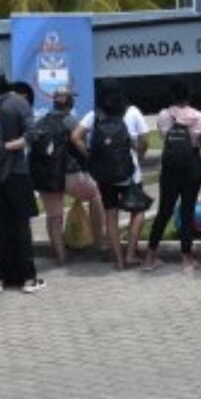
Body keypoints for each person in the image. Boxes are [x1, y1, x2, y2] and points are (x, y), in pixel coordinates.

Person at [72, 78, 150, 270]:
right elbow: (145, 139)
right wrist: (139, 154)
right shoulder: (132, 111)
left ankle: (118, 260)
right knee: (138, 211)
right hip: (130, 173)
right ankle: (130, 253)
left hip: (104, 174)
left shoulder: (95, 114)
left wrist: (89, 156)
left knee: (111, 215)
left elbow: (75, 137)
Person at [0, 81, 43, 293]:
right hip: (16, 172)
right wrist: (8, 146)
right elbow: (32, 135)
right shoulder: (19, 103)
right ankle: (28, 278)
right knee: (21, 225)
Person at [35, 88, 105, 266]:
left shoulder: (41, 122)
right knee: (96, 196)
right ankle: (99, 243)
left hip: (46, 177)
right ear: (70, 103)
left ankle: (61, 257)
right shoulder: (71, 121)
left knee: (54, 216)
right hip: (71, 174)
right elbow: (81, 145)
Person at [144, 79, 201, 273]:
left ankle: (150, 256)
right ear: (189, 95)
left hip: (170, 167)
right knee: (187, 212)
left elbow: (165, 138)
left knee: (164, 210)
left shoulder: (164, 115)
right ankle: (186, 259)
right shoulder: (199, 117)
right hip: (192, 166)